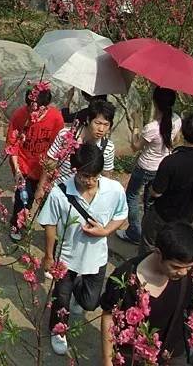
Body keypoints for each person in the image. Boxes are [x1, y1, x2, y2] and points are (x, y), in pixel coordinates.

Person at [38, 143, 128, 355]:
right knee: (61, 300)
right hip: (66, 256)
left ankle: (78, 288)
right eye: (84, 175)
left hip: (96, 257)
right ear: (75, 170)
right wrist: (49, 256)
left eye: (94, 176)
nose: (89, 181)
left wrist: (105, 231)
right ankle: (58, 330)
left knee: (89, 303)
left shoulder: (113, 190)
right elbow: (50, 225)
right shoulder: (60, 193)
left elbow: (121, 214)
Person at [101, 222, 193, 366]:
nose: (183, 272)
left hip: (173, 353)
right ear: (158, 253)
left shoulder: (192, 277)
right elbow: (109, 316)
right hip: (132, 356)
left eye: (188, 267)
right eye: (175, 266)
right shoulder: (125, 278)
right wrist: (107, 359)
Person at [140, 112, 193, 255]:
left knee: (149, 247)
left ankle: (142, 272)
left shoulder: (170, 161)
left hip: (162, 214)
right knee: (174, 253)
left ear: (183, 133)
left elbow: (156, 192)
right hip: (187, 219)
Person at [118, 87, 180, 245]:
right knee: (150, 200)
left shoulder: (152, 128)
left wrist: (136, 125)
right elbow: (176, 140)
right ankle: (148, 231)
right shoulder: (177, 120)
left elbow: (135, 146)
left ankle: (134, 232)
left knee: (131, 196)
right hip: (162, 167)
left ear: (155, 102)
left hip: (145, 167)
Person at [5, 85, 64, 241]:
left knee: (44, 200)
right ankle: (16, 225)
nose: (33, 111)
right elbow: (13, 145)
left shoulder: (56, 118)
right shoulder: (19, 115)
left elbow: (58, 147)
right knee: (22, 198)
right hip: (24, 166)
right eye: (30, 106)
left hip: (45, 168)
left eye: (38, 108)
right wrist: (17, 170)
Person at [45, 99, 116, 182]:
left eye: (106, 125)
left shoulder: (108, 147)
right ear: (88, 120)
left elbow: (106, 176)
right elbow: (50, 163)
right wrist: (41, 188)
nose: (101, 129)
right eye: (97, 123)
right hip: (60, 188)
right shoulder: (65, 135)